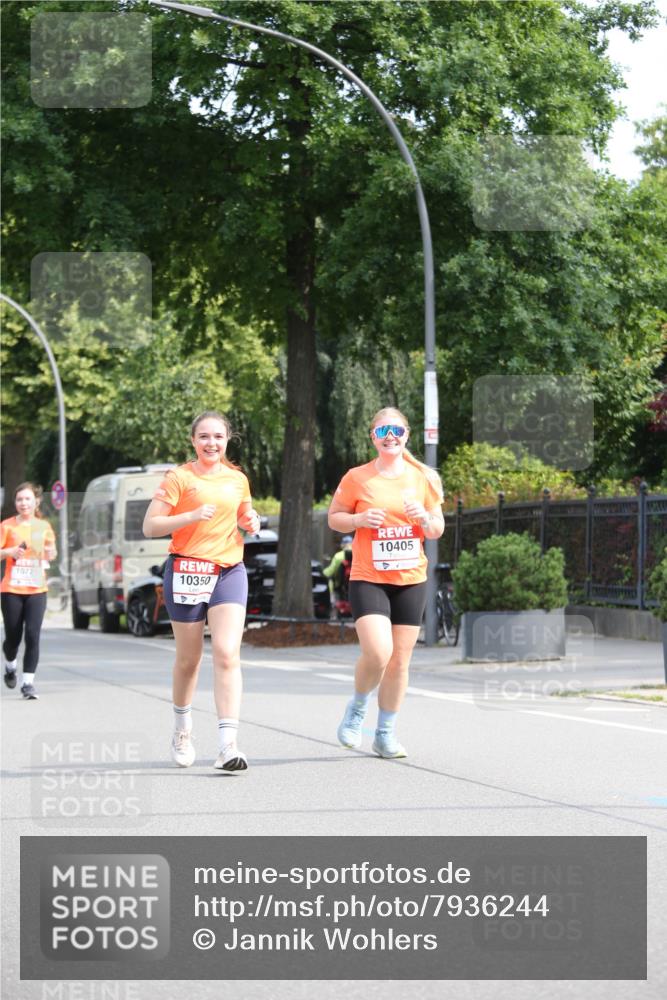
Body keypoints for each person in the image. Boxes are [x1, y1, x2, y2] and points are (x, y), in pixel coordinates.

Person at [142, 411, 260, 772]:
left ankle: (227, 746)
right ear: (193, 441)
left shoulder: (237, 479)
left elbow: (246, 517)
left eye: (218, 437)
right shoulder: (179, 477)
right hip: (187, 570)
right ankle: (182, 729)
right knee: (189, 659)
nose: (212, 443)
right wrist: (190, 516)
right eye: (204, 437)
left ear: (227, 440)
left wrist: (251, 521)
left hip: (228, 570)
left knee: (226, 653)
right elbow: (150, 526)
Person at [328, 407, 444, 758]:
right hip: (370, 576)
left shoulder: (423, 477)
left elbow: (437, 528)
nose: (390, 436)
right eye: (382, 431)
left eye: (396, 430)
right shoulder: (357, 477)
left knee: (400, 660)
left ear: (406, 435)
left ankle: (385, 733)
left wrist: (424, 518)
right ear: (373, 437)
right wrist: (360, 519)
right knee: (379, 652)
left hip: (410, 578)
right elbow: (334, 518)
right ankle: (357, 708)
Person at [1, 482, 57, 699]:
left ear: (36, 502)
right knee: (13, 638)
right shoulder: (7, 526)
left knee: (33, 635)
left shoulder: (43, 526)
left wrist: (50, 552)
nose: (23, 503)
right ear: (15, 503)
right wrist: (10, 552)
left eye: (27, 499)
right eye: (19, 499)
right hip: (12, 589)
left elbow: (52, 552)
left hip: (37, 588)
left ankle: (28, 684)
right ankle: (10, 665)